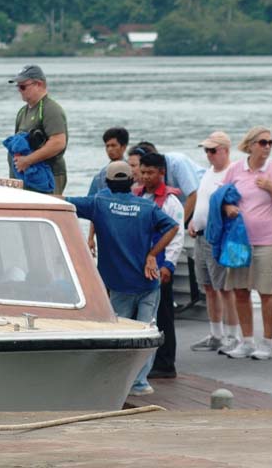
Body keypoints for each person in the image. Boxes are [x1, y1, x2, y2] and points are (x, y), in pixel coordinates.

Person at [65, 160, 179, 396]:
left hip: (119, 285)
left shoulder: (99, 203)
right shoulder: (146, 208)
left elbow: (61, 202)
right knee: (148, 332)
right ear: (132, 182)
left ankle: (120, 382)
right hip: (148, 282)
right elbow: (173, 227)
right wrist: (152, 255)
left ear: (106, 182)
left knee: (121, 335)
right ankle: (140, 383)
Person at [221, 126, 272, 360]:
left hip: (267, 240)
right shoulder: (235, 170)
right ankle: (247, 340)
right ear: (250, 145)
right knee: (240, 291)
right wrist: (227, 207)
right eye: (262, 142)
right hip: (238, 239)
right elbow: (221, 198)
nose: (267, 147)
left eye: (271, 142)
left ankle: (268, 343)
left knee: (266, 291)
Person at [188, 131, 240, 353]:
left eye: (213, 150)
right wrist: (192, 222)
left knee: (225, 288)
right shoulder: (208, 172)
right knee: (208, 286)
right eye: (206, 150)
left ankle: (232, 335)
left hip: (218, 237)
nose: (208, 155)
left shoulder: (232, 172)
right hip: (200, 235)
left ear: (225, 151)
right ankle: (216, 334)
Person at [135, 152, 185, 379]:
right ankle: (145, 360)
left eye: (150, 172)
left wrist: (169, 266)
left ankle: (166, 363)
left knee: (164, 315)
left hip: (161, 264)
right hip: (141, 264)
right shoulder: (138, 196)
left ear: (162, 173)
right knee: (145, 313)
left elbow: (177, 236)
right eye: (142, 172)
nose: (145, 177)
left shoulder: (171, 202)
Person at [8, 64, 68, 194]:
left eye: (23, 86)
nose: (19, 90)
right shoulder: (22, 112)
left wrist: (27, 161)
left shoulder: (51, 109)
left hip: (48, 178)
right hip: (25, 177)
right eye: (18, 86)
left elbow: (58, 143)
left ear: (39, 84)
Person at [131, 141, 204, 224]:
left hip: (201, 199)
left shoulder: (177, 162)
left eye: (133, 166)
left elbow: (193, 195)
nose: (131, 170)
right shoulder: (149, 176)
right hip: (183, 204)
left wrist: (179, 226)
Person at [87, 127, 130, 255]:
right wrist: (90, 237)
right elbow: (94, 207)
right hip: (107, 229)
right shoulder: (100, 176)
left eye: (113, 145)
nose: (110, 149)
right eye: (107, 146)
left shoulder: (132, 170)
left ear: (123, 147)